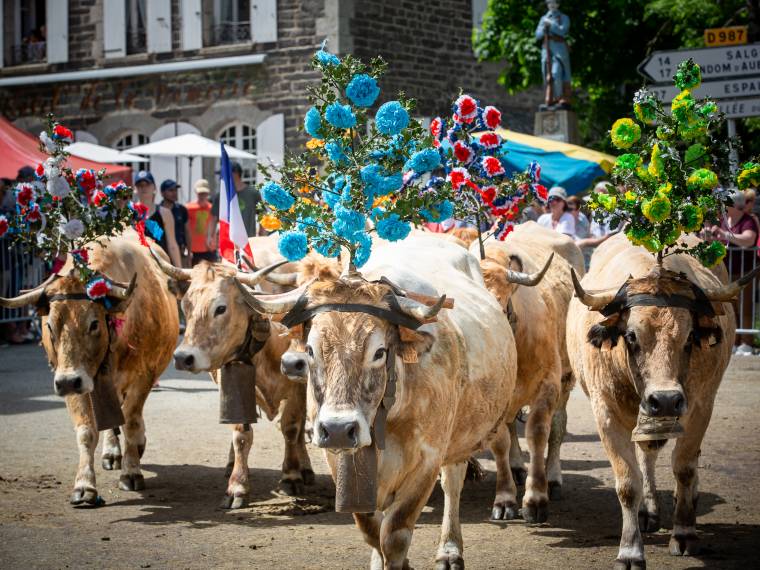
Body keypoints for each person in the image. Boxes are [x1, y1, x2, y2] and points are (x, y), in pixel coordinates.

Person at [710, 189, 759, 354]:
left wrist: (725, 234)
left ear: (733, 204)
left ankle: (747, 343)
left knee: (745, 306)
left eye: (725, 203)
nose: (722, 206)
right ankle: (735, 341)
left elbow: (749, 239)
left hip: (745, 271)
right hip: (727, 271)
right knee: (731, 307)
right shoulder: (725, 220)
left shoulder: (748, 220)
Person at [133, 171, 182, 268]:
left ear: (154, 187)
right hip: (136, 267)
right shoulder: (128, 213)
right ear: (135, 189)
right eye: (140, 185)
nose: (144, 188)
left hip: (161, 267)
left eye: (147, 184)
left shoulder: (165, 213)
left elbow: (172, 245)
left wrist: (179, 270)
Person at [208, 162, 261, 250]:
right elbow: (213, 218)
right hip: (227, 243)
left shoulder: (253, 193)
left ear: (235, 173)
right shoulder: (221, 195)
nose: (221, 178)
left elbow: (262, 216)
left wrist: (262, 237)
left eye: (223, 174)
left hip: (248, 242)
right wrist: (209, 236)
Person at [159, 179, 191, 267]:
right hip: (162, 254)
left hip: (180, 254)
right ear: (162, 193)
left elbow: (188, 232)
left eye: (175, 190)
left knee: (182, 279)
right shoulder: (157, 212)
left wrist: (189, 255)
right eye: (171, 190)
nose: (174, 193)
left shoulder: (182, 210)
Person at [186, 179, 217, 265]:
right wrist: (188, 250)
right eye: (200, 193)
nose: (202, 195)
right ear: (196, 192)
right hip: (194, 250)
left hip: (210, 249)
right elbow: (186, 229)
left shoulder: (212, 208)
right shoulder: (188, 208)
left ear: (208, 193)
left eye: (204, 193)